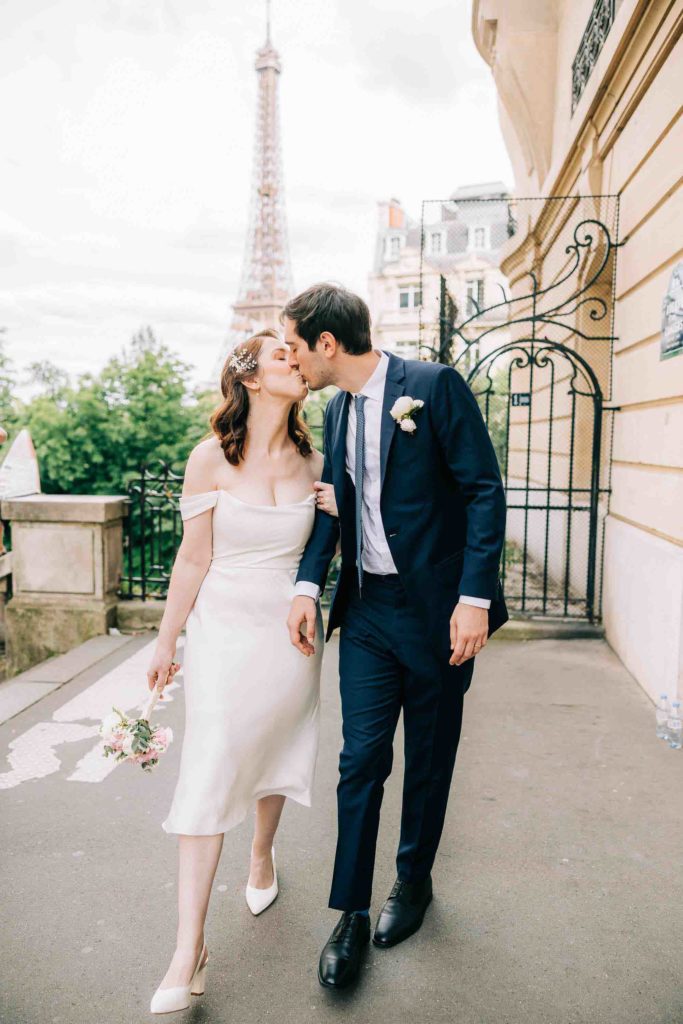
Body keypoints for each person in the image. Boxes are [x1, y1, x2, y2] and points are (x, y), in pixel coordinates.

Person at [284, 283, 508, 990]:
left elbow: (482, 490)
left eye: (294, 346)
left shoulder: (432, 387)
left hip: (441, 611)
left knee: (430, 756)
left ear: (327, 344)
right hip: (371, 611)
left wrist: (473, 599)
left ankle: (412, 882)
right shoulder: (335, 406)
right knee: (360, 760)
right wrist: (305, 584)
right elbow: (335, 502)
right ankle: (348, 910)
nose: (291, 360)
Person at [145, 328, 328, 1014]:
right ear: (250, 377)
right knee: (213, 763)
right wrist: (166, 642)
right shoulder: (208, 459)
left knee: (272, 745)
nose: (298, 359)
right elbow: (193, 558)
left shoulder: (316, 458)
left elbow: (330, 547)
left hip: (289, 633)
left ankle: (262, 853)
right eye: (283, 353)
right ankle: (187, 949)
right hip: (223, 629)